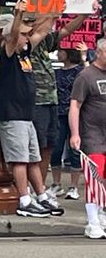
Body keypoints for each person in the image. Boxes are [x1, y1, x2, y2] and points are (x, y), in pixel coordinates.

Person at [0, 1, 60, 219]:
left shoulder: (24, 53)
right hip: (11, 115)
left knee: (33, 158)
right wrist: (18, 15)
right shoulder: (8, 52)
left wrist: (53, 13)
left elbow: (41, 32)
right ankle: (24, 200)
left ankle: (40, 196)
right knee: (20, 159)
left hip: (25, 115)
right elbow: (13, 36)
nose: (26, 37)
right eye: (23, 34)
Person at [30, 10, 90, 191]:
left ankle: (41, 187)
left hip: (51, 101)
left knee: (49, 145)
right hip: (37, 101)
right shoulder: (28, 44)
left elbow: (65, 32)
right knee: (38, 147)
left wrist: (83, 15)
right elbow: (43, 30)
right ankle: (34, 189)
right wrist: (53, 13)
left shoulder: (46, 43)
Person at [69, 37, 106, 238]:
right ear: (99, 53)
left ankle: (101, 215)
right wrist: (75, 134)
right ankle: (92, 222)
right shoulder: (86, 76)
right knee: (94, 180)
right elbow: (75, 106)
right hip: (92, 136)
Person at [49, 44, 87, 200]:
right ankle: (56, 183)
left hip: (75, 114)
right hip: (58, 113)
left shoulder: (80, 72)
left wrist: (84, 57)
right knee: (56, 148)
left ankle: (73, 186)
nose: (58, 53)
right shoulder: (55, 71)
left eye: (61, 50)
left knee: (75, 150)